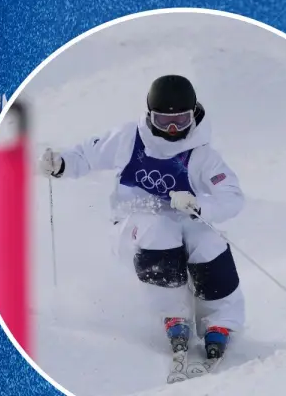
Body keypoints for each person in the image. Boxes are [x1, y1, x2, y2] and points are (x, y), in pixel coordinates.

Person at [38, 74, 245, 368]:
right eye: (163, 121)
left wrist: (200, 205)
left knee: (208, 240)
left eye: (181, 120)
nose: (172, 129)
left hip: (184, 220)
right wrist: (62, 164)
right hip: (132, 225)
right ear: (150, 116)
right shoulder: (130, 138)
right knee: (159, 230)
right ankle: (172, 313)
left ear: (194, 114)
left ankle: (220, 320)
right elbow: (87, 155)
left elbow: (232, 196)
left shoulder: (202, 154)